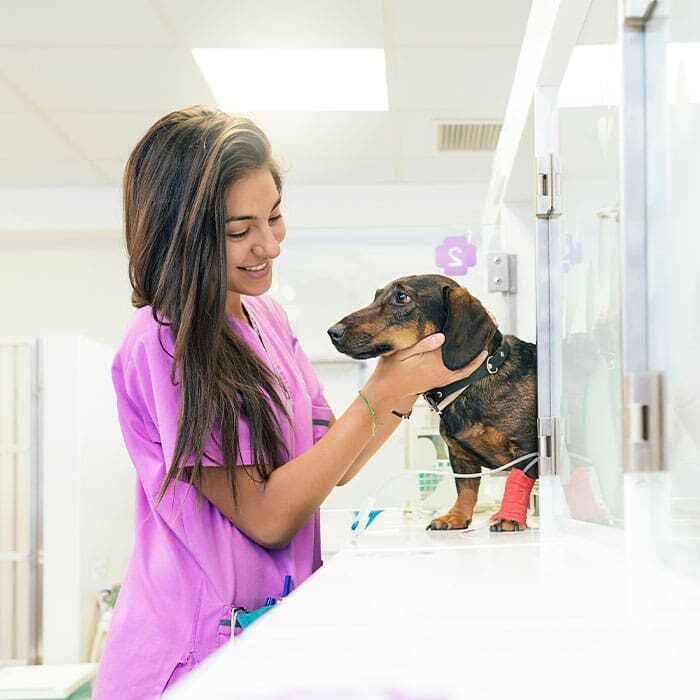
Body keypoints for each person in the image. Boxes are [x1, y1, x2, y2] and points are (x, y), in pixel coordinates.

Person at [92, 105, 488, 699]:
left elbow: (336, 460)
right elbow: (269, 517)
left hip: (269, 636)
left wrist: (403, 383)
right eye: (238, 230)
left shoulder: (266, 317)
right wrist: (381, 392)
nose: (268, 245)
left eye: (274, 217)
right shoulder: (165, 339)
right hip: (195, 654)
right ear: (183, 233)